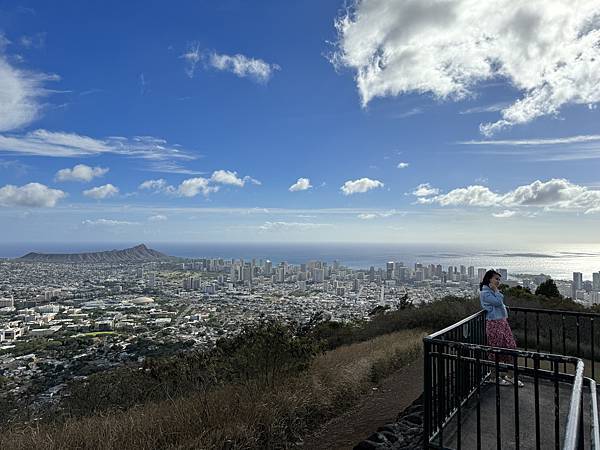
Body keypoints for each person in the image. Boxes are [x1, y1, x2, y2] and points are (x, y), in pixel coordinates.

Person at [480, 269, 524, 387]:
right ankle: (494, 377)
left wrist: (504, 307)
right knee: (495, 350)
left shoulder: (491, 292)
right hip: (494, 323)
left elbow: (499, 304)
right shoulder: (485, 293)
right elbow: (498, 302)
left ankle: (510, 376)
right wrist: (496, 290)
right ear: (489, 279)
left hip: (502, 322)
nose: (498, 281)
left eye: (499, 279)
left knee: (511, 347)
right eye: (496, 279)